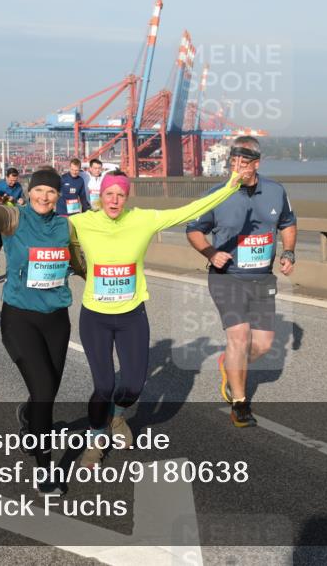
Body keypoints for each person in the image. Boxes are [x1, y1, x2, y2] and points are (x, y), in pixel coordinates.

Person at [69, 166, 247, 467]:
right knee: (103, 386)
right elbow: (40, 226)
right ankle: (96, 438)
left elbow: (190, 209)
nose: (114, 201)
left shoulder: (144, 219)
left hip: (131, 316)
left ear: (127, 196)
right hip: (95, 317)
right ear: (100, 196)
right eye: (109, 194)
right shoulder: (81, 222)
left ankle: (116, 414)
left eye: (120, 195)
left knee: (134, 386)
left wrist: (230, 186)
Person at [0, 160, 84, 493]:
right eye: (39, 190)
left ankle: (29, 418)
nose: (45, 196)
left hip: (56, 319)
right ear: (29, 193)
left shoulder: (65, 227)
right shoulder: (14, 217)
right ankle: (45, 468)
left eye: (51, 191)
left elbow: (78, 262)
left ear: (58, 196)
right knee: (44, 390)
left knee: (48, 391)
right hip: (19, 318)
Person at [186, 136, 297, 428]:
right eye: (232, 163)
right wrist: (210, 251)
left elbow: (288, 223)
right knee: (239, 336)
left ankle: (229, 364)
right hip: (228, 279)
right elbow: (193, 230)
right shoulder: (217, 194)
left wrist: (289, 252)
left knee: (262, 344)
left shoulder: (275, 191)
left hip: (262, 279)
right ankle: (239, 402)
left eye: (243, 164)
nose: (237, 169)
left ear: (256, 164)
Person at [0, 167, 25, 278]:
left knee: (11, 247)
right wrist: (1, 200)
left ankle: (10, 271)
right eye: (11, 180)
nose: (13, 183)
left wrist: (20, 200)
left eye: (15, 180)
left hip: (11, 220)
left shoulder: (18, 187)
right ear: (6, 177)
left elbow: (22, 200)